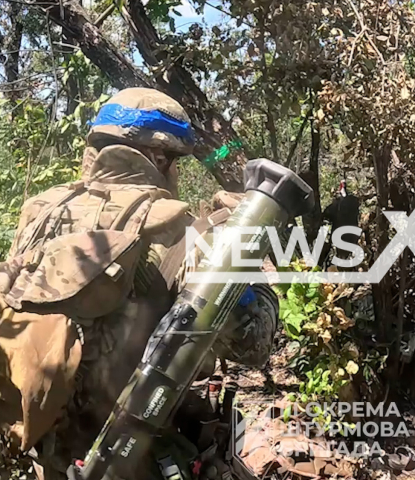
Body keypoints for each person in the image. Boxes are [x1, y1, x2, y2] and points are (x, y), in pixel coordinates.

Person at [0, 88, 278, 479]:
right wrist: (242, 255)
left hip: (49, 455)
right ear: (159, 158)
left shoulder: (38, 215)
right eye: (176, 163)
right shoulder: (183, 232)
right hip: (138, 455)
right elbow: (255, 345)